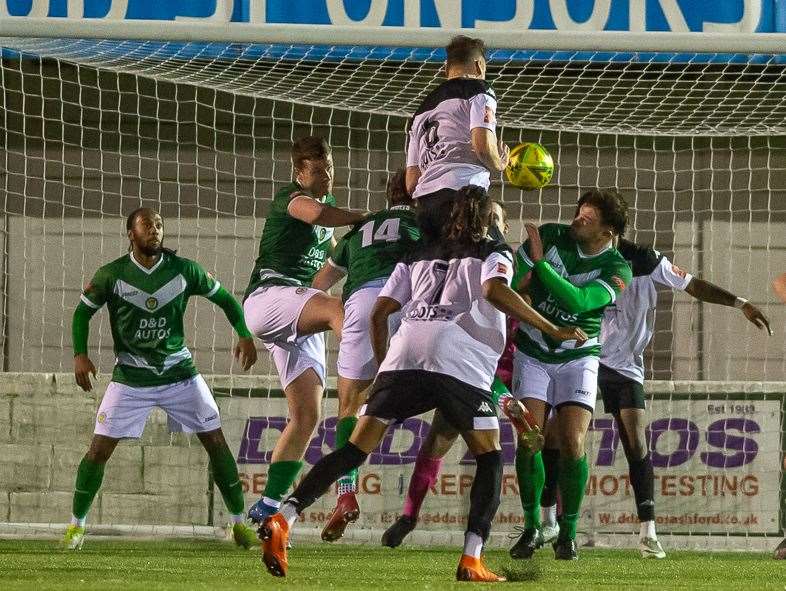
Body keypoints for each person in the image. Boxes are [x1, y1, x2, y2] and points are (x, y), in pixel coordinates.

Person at [258, 186, 586, 582]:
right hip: (459, 361)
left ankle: (285, 516)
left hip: (405, 354)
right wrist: (553, 328)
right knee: (489, 456)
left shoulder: (416, 254)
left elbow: (380, 313)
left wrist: (384, 369)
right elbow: (494, 290)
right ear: (486, 220)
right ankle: (471, 558)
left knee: (354, 449)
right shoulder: (492, 251)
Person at [536, 236, 771, 559]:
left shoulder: (645, 261)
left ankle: (649, 532)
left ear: (612, 229)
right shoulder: (580, 254)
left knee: (636, 441)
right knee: (555, 437)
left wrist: (740, 302)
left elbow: (692, 285)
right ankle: (549, 519)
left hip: (625, 367)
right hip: (584, 356)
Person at [63, 208, 258, 550]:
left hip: (180, 375)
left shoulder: (184, 270)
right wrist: (80, 354)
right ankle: (76, 527)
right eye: (146, 225)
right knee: (97, 451)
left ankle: (239, 524)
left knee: (216, 442)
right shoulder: (112, 275)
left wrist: (243, 333)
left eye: (158, 225)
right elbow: (82, 312)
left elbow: (226, 300)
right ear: (130, 234)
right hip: (130, 379)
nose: (154, 229)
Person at [243, 136, 366, 523]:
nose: (327, 174)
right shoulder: (291, 198)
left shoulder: (326, 210)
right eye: (318, 169)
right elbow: (313, 215)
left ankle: (267, 507)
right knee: (336, 309)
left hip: (294, 309)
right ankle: (367, 370)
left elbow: (324, 272)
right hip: (270, 296)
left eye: (330, 166)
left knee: (307, 415)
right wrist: (362, 219)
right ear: (300, 173)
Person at [381, 200, 517, 548]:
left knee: (458, 443)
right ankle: (418, 520)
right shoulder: (473, 269)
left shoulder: (504, 271)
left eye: (498, 218)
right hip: (463, 370)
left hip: (495, 374)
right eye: (491, 216)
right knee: (448, 444)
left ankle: (540, 527)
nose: (493, 223)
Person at [508, 189, 632, 561]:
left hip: (578, 356)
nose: (577, 219)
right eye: (579, 213)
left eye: (588, 218)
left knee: (574, 442)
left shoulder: (618, 269)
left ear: (607, 232)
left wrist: (541, 267)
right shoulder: (549, 234)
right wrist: (525, 271)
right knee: (530, 438)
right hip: (531, 350)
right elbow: (513, 285)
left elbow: (579, 302)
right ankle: (532, 527)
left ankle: (569, 533)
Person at [310, 169, 420, 541]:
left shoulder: (359, 230)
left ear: (388, 197)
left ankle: (345, 494)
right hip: (406, 302)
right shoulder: (424, 221)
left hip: (361, 303)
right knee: (444, 392)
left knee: (349, 404)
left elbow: (320, 283)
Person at [406, 35, 509, 243]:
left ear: (446, 69)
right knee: (496, 257)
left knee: (436, 268)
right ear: (479, 66)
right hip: (464, 196)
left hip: (426, 206)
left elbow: (411, 182)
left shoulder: (419, 112)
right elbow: (481, 146)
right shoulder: (480, 90)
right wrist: (499, 163)